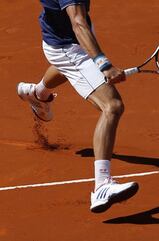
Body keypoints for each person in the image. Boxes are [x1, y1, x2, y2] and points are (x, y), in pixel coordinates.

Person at [17, 0, 138, 213]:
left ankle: (39, 94)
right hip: (69, 44)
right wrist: (104, 65)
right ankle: (102, 185)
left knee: (69, 66)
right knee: (112, 106)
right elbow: (78, 22)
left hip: (63, 37)